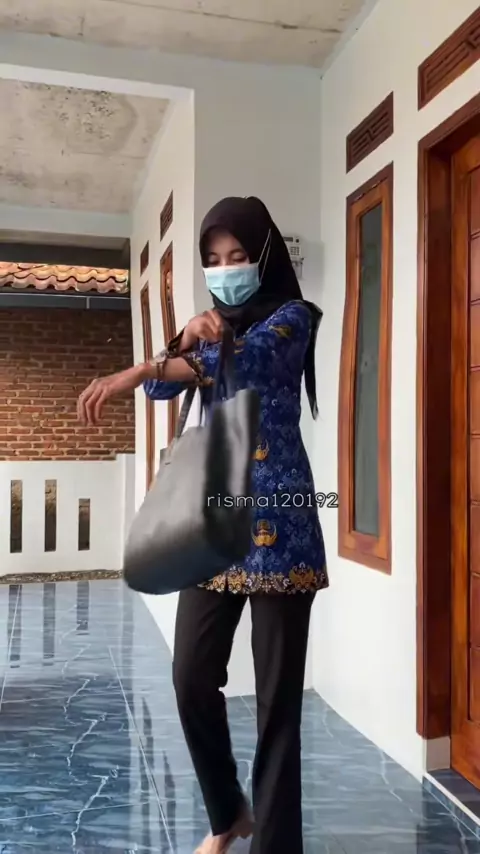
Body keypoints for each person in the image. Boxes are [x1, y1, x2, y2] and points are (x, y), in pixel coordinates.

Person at [77, 196, 328, 854]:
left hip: (281, 534)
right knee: (191, 678)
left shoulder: (293, 318)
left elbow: (247, 366)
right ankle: (228, 815)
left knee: (277, 706)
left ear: (263, 256)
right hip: (213, 525)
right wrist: (179, 340)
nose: (225, 270)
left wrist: (141, 366)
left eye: (238, 256)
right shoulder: (212, 329)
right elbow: (167, 387)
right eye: (213, 260)